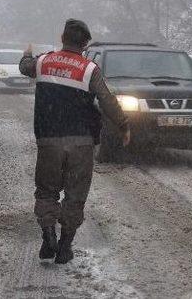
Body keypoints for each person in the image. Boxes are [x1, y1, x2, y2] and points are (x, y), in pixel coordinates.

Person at [20, 19, 130, 264]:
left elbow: (24, 66)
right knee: (75, 195)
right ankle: (65, 246)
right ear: (85, 43)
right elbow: (107, 101)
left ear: (62, 37)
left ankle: (48, 234)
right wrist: (123, 125)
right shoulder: (90, 69)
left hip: (49, 140)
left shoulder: (43, 62)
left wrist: (27, 52)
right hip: (82, 143)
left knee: (47, 191)